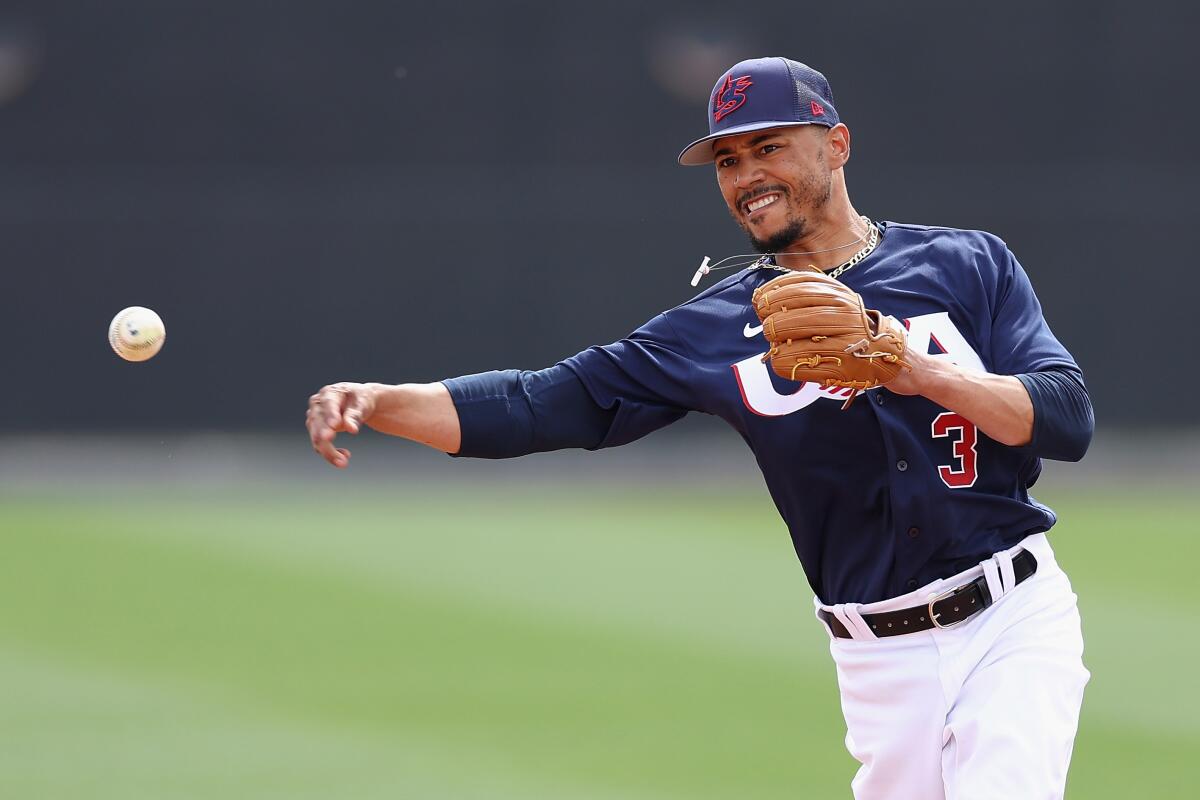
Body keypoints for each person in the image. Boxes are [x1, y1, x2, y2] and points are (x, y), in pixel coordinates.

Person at [305, 57, 1093, 800]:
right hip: (878, 662)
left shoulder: (966, 265)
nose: (748, 176)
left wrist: (913, 368)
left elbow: (1065, 417)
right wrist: (378, 401)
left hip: (1010, 619)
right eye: (728, 161)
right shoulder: (713, 327)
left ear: (837, 144)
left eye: (768, 148)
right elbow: (543, 402)